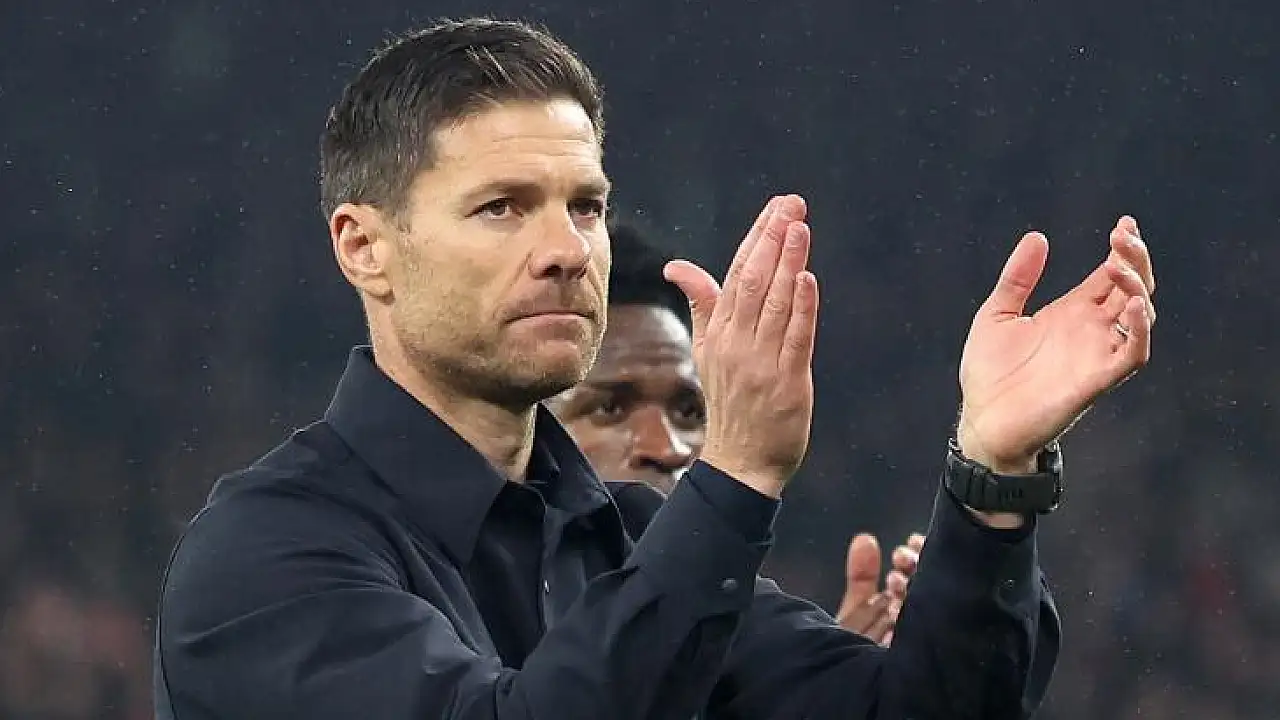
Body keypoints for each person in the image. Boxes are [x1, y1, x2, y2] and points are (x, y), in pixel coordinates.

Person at [153, 18, 1157, 720]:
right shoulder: (270, 555)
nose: (564, 249)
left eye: (583, 206)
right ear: (364, 247)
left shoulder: (625, 538)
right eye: (501, 207)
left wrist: (990, 475)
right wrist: (735, 476)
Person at [545, 220, 922, 644]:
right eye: (610, 408)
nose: (668, 448)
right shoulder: (488, 624)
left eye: (690, 412)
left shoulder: (749, 632)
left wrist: (838, 670)